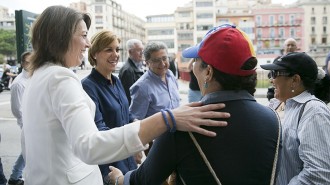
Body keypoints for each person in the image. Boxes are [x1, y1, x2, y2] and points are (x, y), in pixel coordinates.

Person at [21, 6, 229, 185]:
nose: (86, 44)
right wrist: (167, 119)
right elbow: (90, 146)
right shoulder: (61, 79)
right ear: (60, 36)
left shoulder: (39, 77)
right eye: (83, 36)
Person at [109, 24, 281, 185]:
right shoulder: (274, 118)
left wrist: (118, 179)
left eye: (197, 61)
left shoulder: (181, 127)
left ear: (208, 72)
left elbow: (143, 180)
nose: (193, 67)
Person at [261, 52, 330, 184]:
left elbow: (322, 173)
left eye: (275, 73)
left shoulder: (314, 113)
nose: (271, 79)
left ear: (295, 80)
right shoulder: (276, 103)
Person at [81, 30, 139, 183]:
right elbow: (99, 129)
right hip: (110, 164)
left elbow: (126, 114)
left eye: (117, 49)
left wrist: (137, 125)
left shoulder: (117, 80)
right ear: (94, 54)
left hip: (127, 156)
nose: (115, 54)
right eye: (109, 50)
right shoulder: (88, 86)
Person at [129, 41, 180, 120]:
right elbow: (135, 121)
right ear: (147, 63)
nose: (162, 64)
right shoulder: (141, 87)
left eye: (164, 58)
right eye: (156, 60)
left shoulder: (171, 75)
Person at [8, 51, 31, 185]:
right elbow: (17, 110)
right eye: (28, 61)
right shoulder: (18, 83)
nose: (31, 64)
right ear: (22, 64)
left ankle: (15, 177)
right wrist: (27, 124)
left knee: (27, 149)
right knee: (30, 150)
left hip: (34, 122)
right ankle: (16, 177)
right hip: (27, 123)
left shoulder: (33, 78)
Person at [118, 39, 146, 104]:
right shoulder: (127, 71)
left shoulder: (139, 66)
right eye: (139, 50)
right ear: (130, 52)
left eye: (142, 50)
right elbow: (129, 96)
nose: (142, 53)